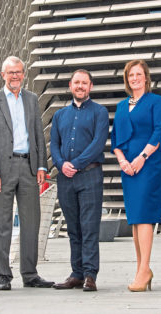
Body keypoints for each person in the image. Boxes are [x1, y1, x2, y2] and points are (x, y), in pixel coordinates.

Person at [0, 56, 54, 290]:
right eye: (11, 72)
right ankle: (3, 275)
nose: (15, 76)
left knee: (31, 222)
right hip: (2, 170)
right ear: (3, 75)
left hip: (29, 168)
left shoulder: (32, 99)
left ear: (23, 74)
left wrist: (42, 165)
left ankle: (30, 274)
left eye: (19, 72)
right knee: (2, 223)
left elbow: (38, 135)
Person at [111, 59, 161, 292]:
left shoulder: (156, 101)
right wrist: (123, 160)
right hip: (128, 169)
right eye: (130, 75)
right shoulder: (122, 106)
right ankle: (142, 269)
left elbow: (159, 131)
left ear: (146, 77)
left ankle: (144, 270)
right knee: (135, 220)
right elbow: (115, 139)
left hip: (148, 164)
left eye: (138, 74)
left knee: (144, 217)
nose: (134, 78)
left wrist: (141, 157)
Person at [50, 70, 109, 292]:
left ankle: (90, 274)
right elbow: (54, 144)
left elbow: (98, 143)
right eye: (77, 82)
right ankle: (76, 273)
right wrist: (61, 163)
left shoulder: (100, 112)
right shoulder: (59, 115)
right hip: (65, 178)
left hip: (90, 175)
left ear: (90, 86)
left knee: (89, 227)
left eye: (84, 83)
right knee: (73, 228)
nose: (80, 86)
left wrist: (76, 163)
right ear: (70, 85)